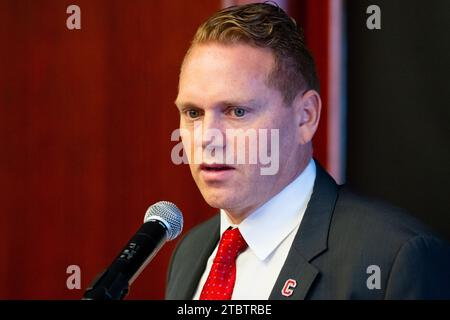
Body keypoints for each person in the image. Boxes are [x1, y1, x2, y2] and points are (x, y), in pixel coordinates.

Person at [166, 3, 450, 299]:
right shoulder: (189, 252)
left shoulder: (395, 259)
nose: (208, 139)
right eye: (193, 113)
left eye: (237, 111)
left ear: (305, 117)